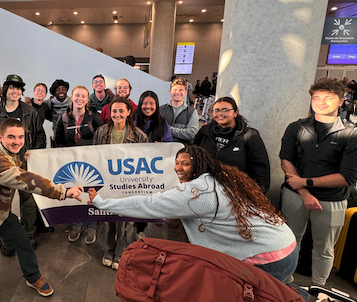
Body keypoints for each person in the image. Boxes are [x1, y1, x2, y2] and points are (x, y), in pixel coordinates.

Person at [88, 145, 298, 282]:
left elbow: (145, 204)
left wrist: (100, 202)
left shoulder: (194, 193)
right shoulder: (222, 177)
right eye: (177, 163)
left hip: (267, 260)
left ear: (198, 165)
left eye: (185, 164)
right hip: (286, 245)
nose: (178, 168)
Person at [0, 118, 84, 302]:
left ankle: (32, 277)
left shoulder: (9, 153)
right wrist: (63, 191)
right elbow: (25, 179)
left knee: (24, 242)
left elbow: (19, 169)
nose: (17, 141)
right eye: (11, 137)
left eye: (20, 137)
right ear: (0, 137)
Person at [280, 77, 357, 287]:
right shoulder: (296, 127)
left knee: (324, 249)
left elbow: (347, 177)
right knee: (289, 241)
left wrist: (305, 183)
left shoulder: (351, 133)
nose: (321, 102)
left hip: (331, 201)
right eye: (317, 97)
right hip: (295, 195)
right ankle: (286, 283)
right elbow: (286, 160)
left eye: (328, 98)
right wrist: (304, 191)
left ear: (341, 101)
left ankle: (318, 289)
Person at [0, 74, 46, 252]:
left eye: (18, 88)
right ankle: (5, 235)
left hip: (26, 162)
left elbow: (40, 135)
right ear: (5, 90)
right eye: (11, 87)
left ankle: (29, 231)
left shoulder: (29, 111)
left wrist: (33, 151)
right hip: (4, 164)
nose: (15, 91)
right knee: (4, 200)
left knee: (28, 199)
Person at [93, 96, 148, 270]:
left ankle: (122, 252)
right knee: (107, 218)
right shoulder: (100, 132)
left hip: (128, 183)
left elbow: (144, 163)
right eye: (114, 111)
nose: (117, 114)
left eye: (120, 111)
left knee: (126, 221)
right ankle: (108, 250)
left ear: (129, 112)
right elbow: (93, 157)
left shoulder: (140, 136)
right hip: (106, 182)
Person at [55, 86, 103, 244]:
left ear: (87, 99)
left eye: (83, 96)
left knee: (91, 192)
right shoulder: (62, 119)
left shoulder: (94, 117)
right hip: (71, 164)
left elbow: (101, 138)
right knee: (75, 193)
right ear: (71, 97)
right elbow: (58, 143)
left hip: (91, 163)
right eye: (77, 96)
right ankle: (76, 224)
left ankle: (91, 224)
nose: (80, 99)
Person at [194, 97, 270, 193]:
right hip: (204, 189)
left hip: (235, 192)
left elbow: (261, 173)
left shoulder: (250, 136)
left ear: (235, 112)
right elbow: (193, 155)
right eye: (216, 110)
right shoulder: (205, 131)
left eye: (225, 110)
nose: (220, 114)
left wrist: (254, 195)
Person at [160, 77, 198, 145]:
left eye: (181, 90)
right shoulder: (161, 110)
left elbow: (192, 134)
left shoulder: (192, 112)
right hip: (164, 150)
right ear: (170, 91)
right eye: (175, 89)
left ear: (185, 92)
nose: (177, 92)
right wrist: (183, 132)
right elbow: (157, 130)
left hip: (183, 151)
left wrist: (168, 129)